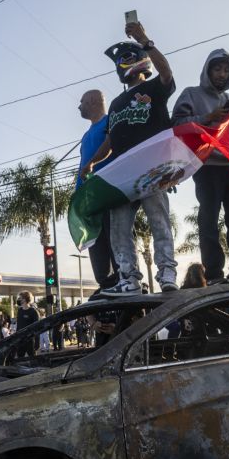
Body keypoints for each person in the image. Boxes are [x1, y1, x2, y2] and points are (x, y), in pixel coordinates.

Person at [82, 19, 177, 295]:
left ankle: (167, 272)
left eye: (126, 57)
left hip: (152, 166)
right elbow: (111, 139)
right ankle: (129, 278)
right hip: (123, 172)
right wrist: (93, 162)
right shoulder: (116, 103)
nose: (122, 64)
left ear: (140, 60)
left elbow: (167, 72)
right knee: (119, 227)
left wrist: (145, 39)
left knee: (158, 219)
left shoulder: (155, 87)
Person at [171, 49, 229, 284]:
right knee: (209, 219)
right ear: (208, 70)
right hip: (207, 164)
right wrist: (208, 117)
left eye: (226, 70)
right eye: (217, 69)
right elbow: (177, 124)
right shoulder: (191, 94)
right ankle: (215, 273)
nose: (222, 74)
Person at [77, 89, 118, 288]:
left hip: (109, 194)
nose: (79, 106)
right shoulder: (86, 135)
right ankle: (105, 285)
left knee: (116, 243)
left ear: (93, 101)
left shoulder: (111, 121)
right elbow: (81, 168)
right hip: (89, 203)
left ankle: (124, 279)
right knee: (97, 250)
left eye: (82, 101)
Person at [14, 291, 40, 359]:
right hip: (20, 339)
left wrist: (37, 341)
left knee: (33, 359)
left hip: (30, 340)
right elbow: (18, 326)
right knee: (19, 359)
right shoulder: (20, 311)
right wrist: (16, 338)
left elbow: (37, 327)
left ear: (25, 299)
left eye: (20, 298)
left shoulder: (33, 312)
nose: (19, 300)